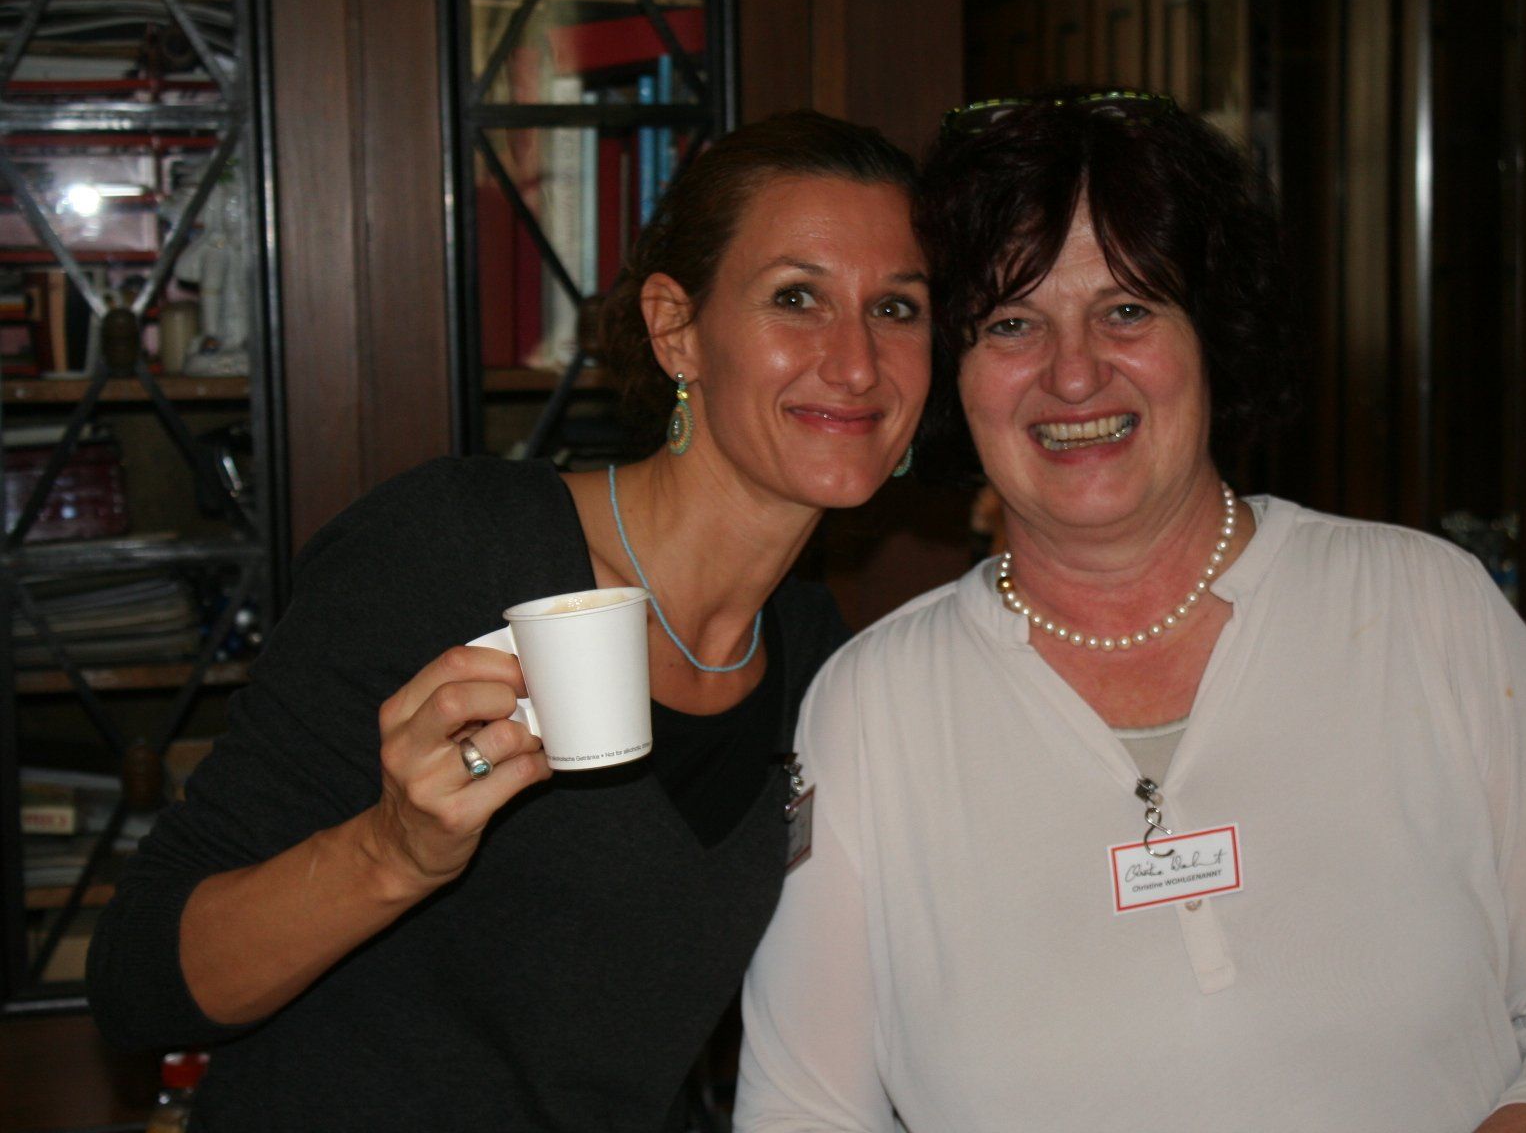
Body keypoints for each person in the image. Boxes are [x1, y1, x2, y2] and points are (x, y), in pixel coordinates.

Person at [734, 90, 1526, 1133]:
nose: (1074, 373)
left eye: (1128, 309)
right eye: (1012, 323)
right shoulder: (871, 711)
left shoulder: (1426, 609)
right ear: (950, 378)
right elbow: (802, 1114)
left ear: (1212, 337)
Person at [88, 110, 930, 1131]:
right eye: (797, 297)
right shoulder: (456, 549)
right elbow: (140, 982)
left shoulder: (818, 655)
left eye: (897, 307)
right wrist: (391, 852)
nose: (857, 362)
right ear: (677, 329)